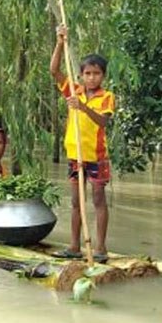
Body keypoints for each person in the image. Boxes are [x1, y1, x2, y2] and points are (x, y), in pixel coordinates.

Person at [49, 25, 115, 263]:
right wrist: (59, 41)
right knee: (77, 201)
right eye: (87, 74)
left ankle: (101, 249)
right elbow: (54, 70)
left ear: (103, 76)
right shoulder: (73, 90)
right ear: (81, 75)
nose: (91, 78)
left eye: (96, 74)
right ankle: (74, 246)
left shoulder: (106, 97)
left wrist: (83, 107)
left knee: (98, 200)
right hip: (75, 154)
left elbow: (103, 122)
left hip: (96, 156)